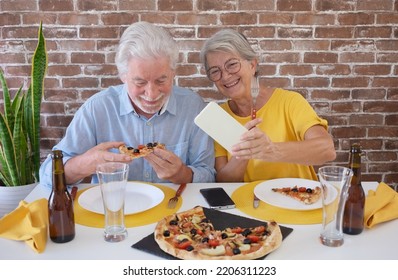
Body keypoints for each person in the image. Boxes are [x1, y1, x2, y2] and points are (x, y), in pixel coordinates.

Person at [39, 21, 216, 188]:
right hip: (113, 212)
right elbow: (47, 176)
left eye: (161, 80)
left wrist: (182, 174)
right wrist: (84, 165)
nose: (152, 93)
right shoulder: (97, 109)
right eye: (140, 82)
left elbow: (209, 174)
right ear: (123, 76)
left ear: (173, 73)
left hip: (174, 212)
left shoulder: (193, 107)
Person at [199, 29, 336, 182]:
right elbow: (224, 182)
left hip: (300, 199)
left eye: (231, 65)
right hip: (250, 204)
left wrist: (271, 150)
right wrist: (244, 153)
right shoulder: (220, 117)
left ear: (252, 65)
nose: (225, 76)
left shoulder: (289, 101)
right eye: (215, 71)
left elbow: (327, 150)